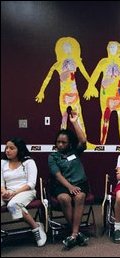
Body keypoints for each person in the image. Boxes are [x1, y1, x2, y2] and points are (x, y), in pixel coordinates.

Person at [35, 37, 95, 149]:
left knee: (79, 117)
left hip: (74, 93)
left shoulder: (76, 62)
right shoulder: (57, 64)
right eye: (64, 47)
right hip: (63, 94)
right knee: (64, 118)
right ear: (61, 49)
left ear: (72, 49)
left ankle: (85, 142)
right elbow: (47, 78)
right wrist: (41, 92)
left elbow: (86, 74)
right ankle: (61, 144)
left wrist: (91, 87)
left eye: (69, 46)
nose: (67, 48)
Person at [48, 111, 90, 249]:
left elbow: (83, 141)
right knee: (65, 199)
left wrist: (75, 122)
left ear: (69, 143)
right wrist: (69, 187)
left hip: (80, 183)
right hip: (61, 185)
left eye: (63, 142)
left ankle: (73, 234)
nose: (60, 144)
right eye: (58, 142)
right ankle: (76, 234)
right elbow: (57, 174)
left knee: (79, 197)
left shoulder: (75, 152)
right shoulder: (53, 156)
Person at [1, 138, 47, 247]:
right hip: (7, 192)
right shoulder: (2, 163)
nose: (8, 150)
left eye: (12, 148)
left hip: (26, 191)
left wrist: (13, 193)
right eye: (6, 147)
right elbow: (1, 182)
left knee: (13, 205)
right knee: (13, 203)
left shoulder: (28, 162)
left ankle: (36, 227)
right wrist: (4, 192)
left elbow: (31, 184)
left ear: (19, 150)